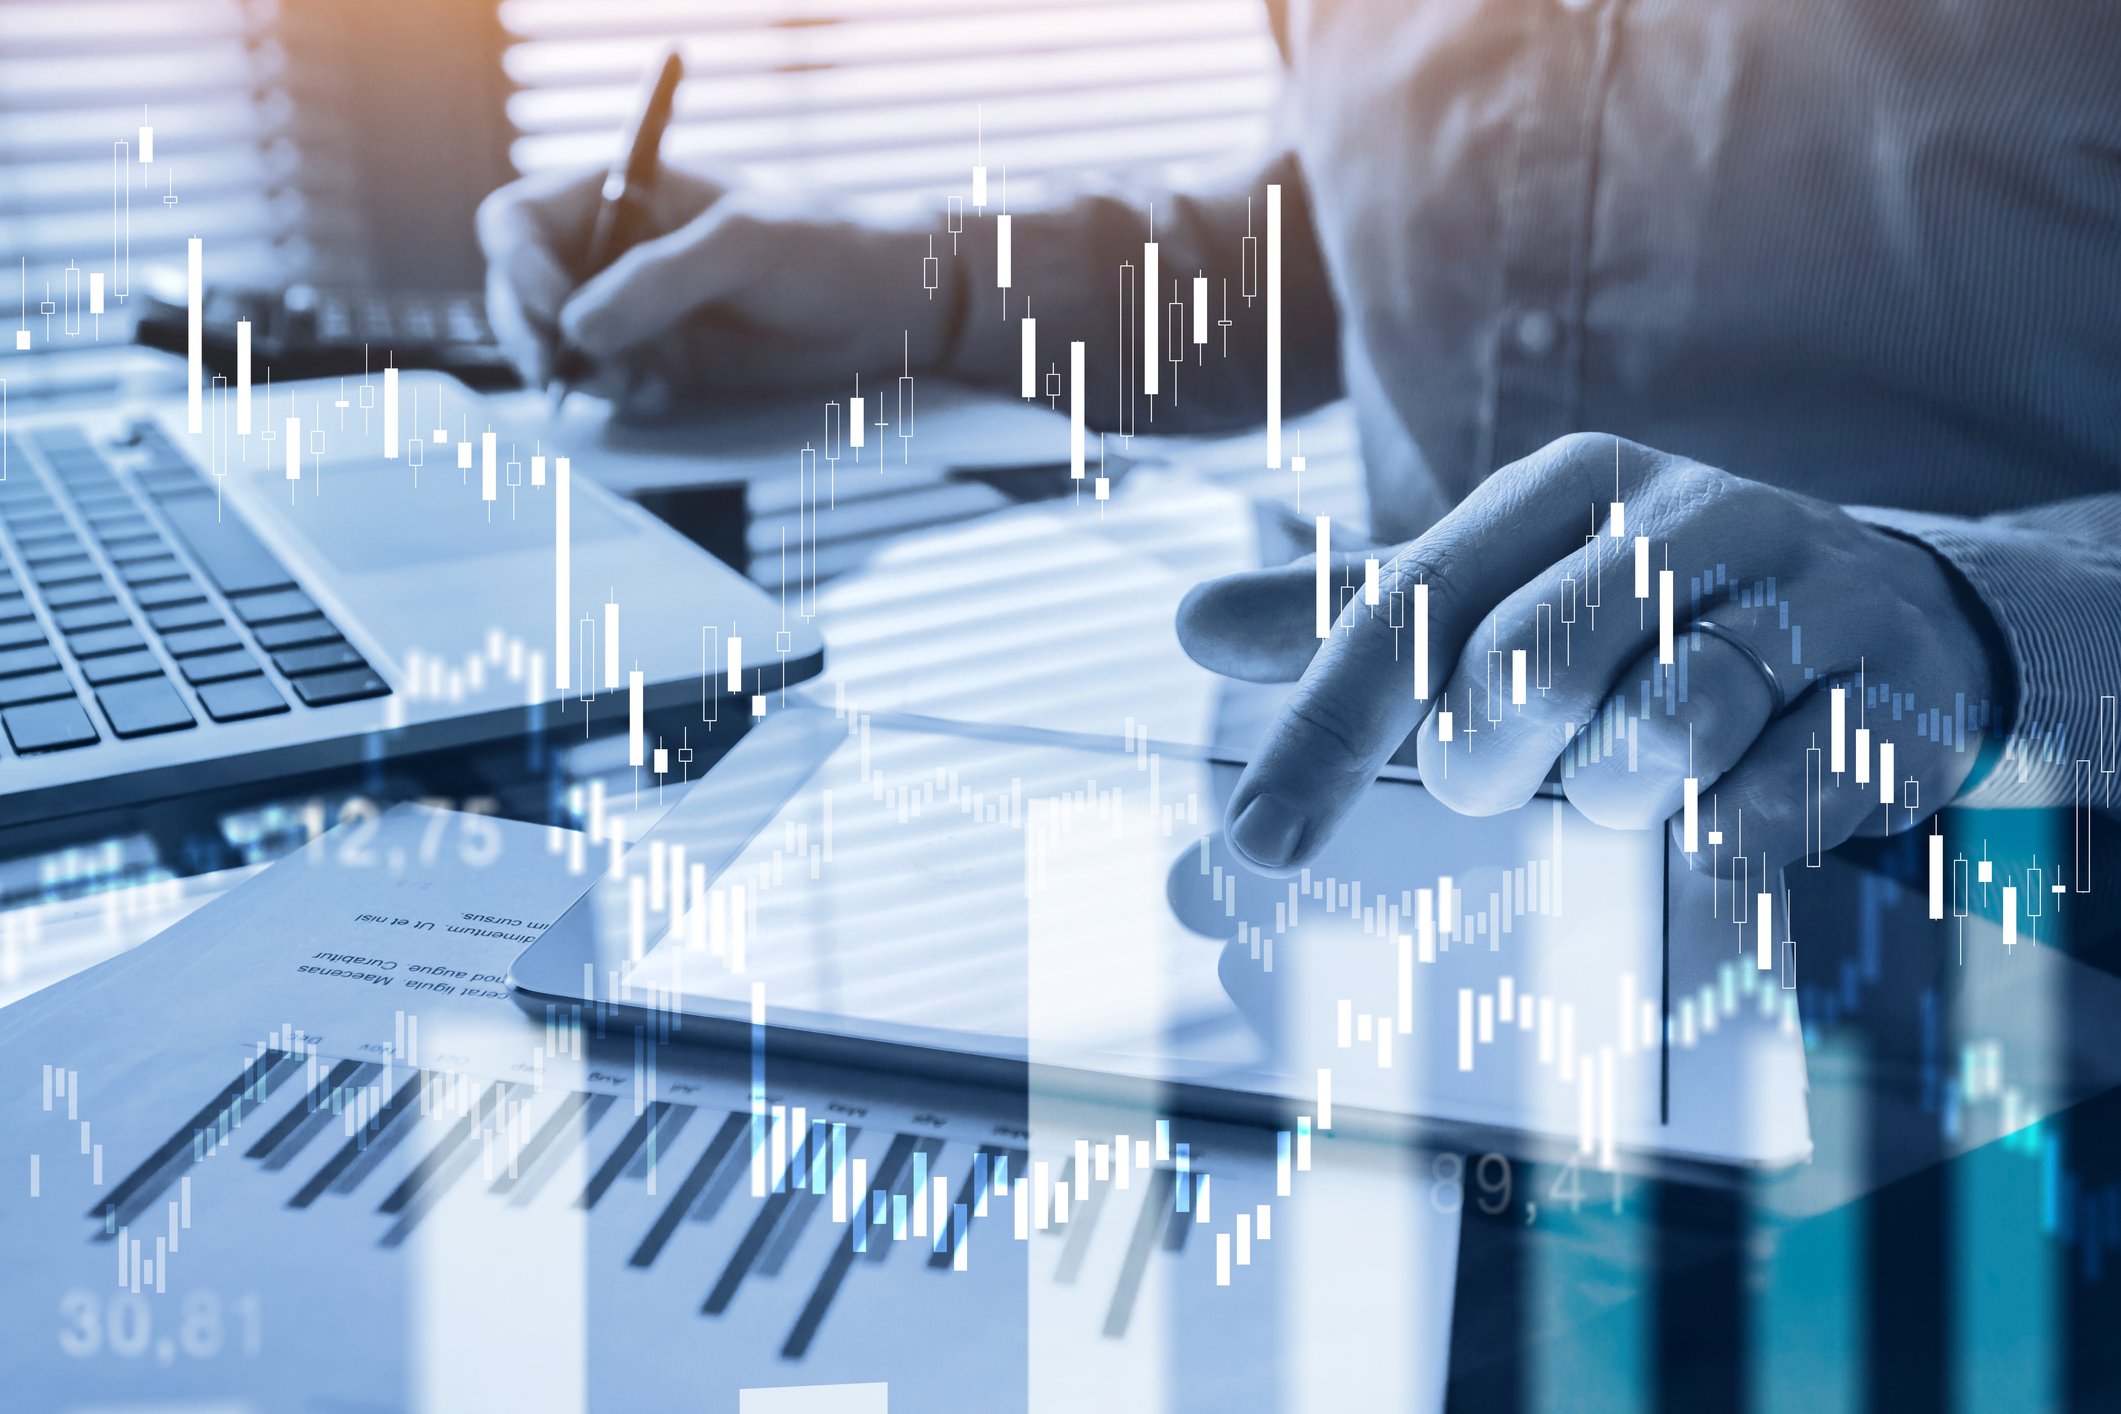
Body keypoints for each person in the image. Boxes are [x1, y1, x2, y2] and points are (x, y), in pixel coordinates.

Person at [479, 2, 2121, 878]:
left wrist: (1965, 613)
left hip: (1996, 904)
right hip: (1404, 881)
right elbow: (1340, 248)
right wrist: (915, 288)